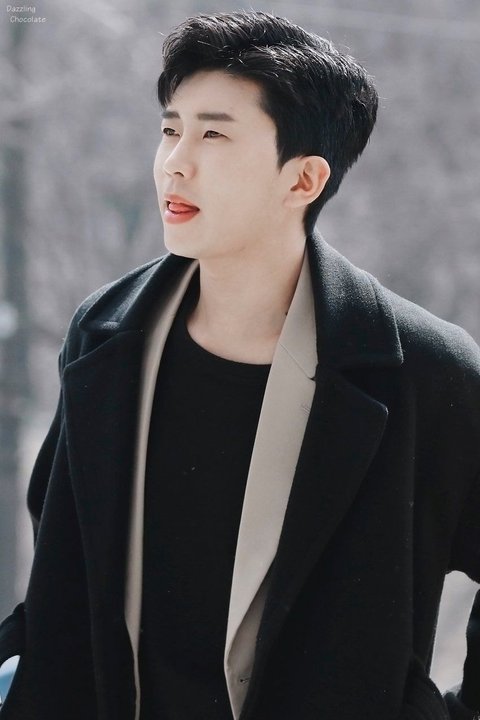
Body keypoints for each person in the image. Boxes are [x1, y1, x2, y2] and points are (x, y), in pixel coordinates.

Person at [0, 9, 479, 720]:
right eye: (171, 129)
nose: (175, 161)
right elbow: (60, 568)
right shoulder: (105, 335)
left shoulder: (423, 370)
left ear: (303, 179)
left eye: (214, 134)